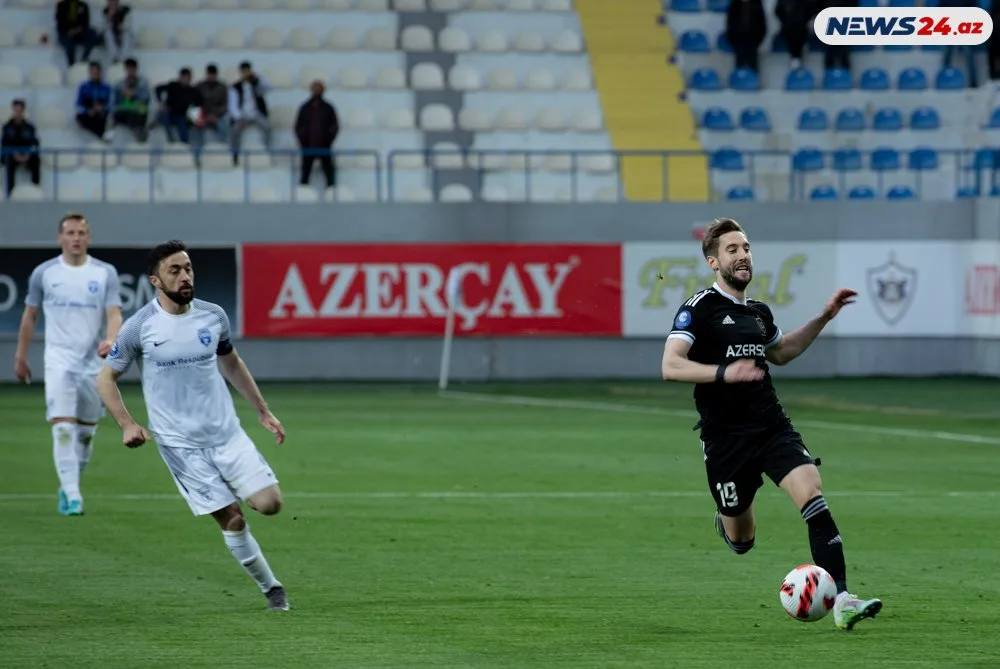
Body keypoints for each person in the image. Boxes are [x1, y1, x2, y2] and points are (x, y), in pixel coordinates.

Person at [660, 217, 882, 631]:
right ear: (713, 261)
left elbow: (782, 352)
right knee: (742, 541)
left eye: (745, 247)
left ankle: (845, 599)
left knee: (812, 492)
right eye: (732, 249)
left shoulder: (758, 313)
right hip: (726, 440)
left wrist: (825, 316)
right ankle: (728, 520)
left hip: (771, 427)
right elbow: (671, 365)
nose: (742, 255)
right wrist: (725, 373)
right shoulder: (700, 308)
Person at [95, 240, 290, 612]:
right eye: (174, 270)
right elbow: (105, 380)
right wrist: (126, 424)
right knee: (232, 519)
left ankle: (238, 489)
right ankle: (272, 589)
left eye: (188, 268)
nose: (185, 276)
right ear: (155, 280)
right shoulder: (139, 327)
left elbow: (231, 362)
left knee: (270, 504)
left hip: (227, 433)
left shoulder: (213, 315)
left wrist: (262, 410)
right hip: (181, 446)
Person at [14, 213, 123, 516]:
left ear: (88, 237)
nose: (76, 238)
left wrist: (112, 340)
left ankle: (69, 485)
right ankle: (75, 497)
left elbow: (114, 313)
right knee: (63, 429)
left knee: (86, 433)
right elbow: (30, 316)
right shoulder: (44, 273)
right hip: (58, 361)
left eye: (81, 233)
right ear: (60, 237)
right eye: (70, 233)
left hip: (92, 364)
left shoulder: (105, 273)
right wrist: (20, 357)